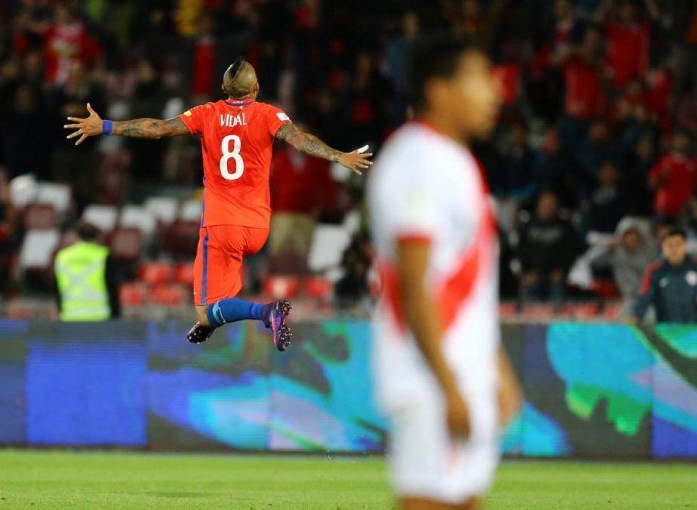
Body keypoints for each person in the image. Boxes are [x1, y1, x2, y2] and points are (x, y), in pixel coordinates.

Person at [63, 57, 371, 350]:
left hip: (221, 225)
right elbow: (299, 138)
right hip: (259, 226)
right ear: (256, 88)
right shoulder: (269, 114)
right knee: (216, 306)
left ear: (223, 90)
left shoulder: (205, 113)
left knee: (203, 310)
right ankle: (212, 322)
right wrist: (338, 155)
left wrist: (105, 126)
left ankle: (265, 313)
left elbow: (157, 129)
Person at [366, 36, 521, 510]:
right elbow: (414, 285)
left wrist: (496, 372)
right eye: (480, 79)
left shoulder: (455, 161)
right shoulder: (418, 160)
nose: (495, 92)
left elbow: (465, 283)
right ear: (438, 89)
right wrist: (448, 385)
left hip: (459, 369)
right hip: (430, 374)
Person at [517, 191, 579, 306]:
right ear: (539, 205)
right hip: (532, 276)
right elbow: (520, 250)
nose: (548, 207)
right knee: (528, 313)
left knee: (557, 314)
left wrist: (563, 271)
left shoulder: (565, 226)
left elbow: (572, 251)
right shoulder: (528, 225)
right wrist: (527, 271)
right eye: (546, 204)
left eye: (552, 205)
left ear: (557, 206)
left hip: (555, 277)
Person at [54, 222, 120, 321]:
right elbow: (112, 287)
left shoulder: (62, 256)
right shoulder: (102, 255)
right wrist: (116, 314)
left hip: (70, 315)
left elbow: (57, 288)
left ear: (76, 236)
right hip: (99, 315)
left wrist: (60, 311)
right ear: (97, 237)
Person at [633, 227, 697, 323]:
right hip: (666, 331)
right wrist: (635, 317)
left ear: (685, 246)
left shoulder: (695, 267)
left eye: (678, 245)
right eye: (670, 245)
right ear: (663, 247)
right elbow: (644, 299)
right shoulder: (654, 272)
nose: (674, 249)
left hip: (693, 330)